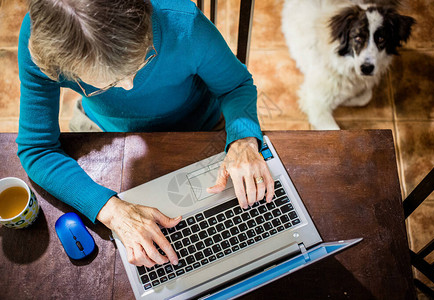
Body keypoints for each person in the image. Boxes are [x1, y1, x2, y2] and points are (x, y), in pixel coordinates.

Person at [17, 0, 274, 268]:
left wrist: (243, 139)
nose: (128, 87)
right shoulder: (42, 42)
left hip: (198, 125)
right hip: (109, 131)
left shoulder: (182, 21)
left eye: (141, 62)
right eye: (109, 84)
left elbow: (237, 85)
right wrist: (111, 211)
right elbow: (37, 149)